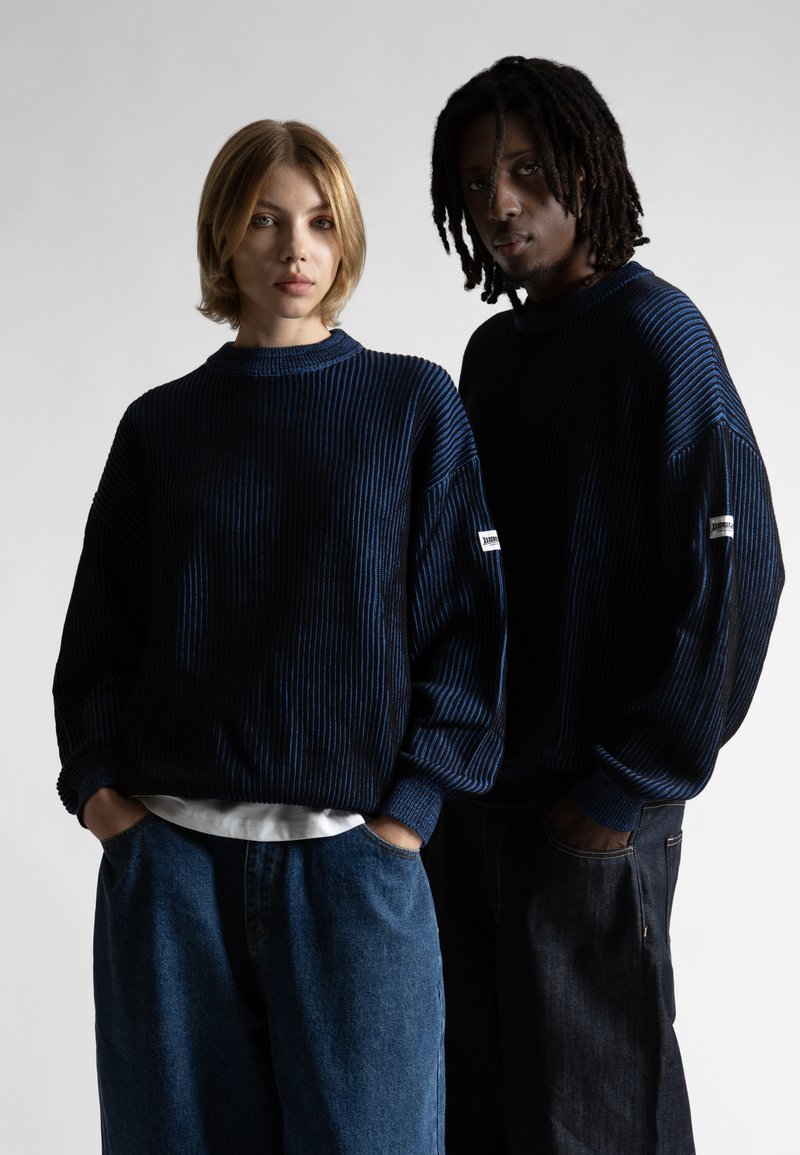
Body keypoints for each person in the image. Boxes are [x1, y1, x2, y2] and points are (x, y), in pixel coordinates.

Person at [53, 118, 506, 1154]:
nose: (294, 248)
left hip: (353, 869)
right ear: (224, 236)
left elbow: (465, 627)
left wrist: (406, 818)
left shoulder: (410, 405)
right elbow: (99, 643)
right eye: (264, 220)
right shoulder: (161, 427)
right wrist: (106, 804)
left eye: (318, 221)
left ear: (345, 239)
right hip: (173, 877)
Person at [423, 56, 784, 1154]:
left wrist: (628, 784)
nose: (499, 203)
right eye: (475, 182)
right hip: (475, 811)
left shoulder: (655, 336)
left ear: (589, 167)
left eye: (528, 170)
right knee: (474, 1116)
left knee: (599, 1121)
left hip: (588, 818)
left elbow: (740, 576)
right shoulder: (491, 357)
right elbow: (462, 577)